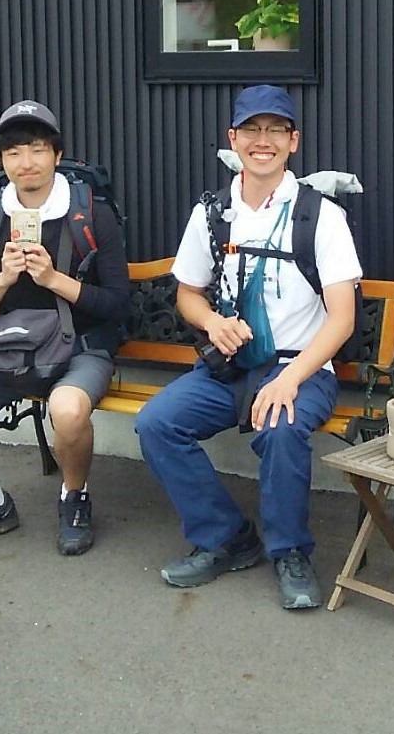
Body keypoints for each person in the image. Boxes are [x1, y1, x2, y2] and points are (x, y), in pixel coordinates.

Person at [136, 84, 362, 610]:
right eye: (252, 130)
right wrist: (212, 323)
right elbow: (188, 294)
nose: (264, 141)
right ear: (233, 139)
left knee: (280, 428)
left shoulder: (320, 215)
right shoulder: (213, 212)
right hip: (231, 366)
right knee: (157, 423)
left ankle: (290, 551)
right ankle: (226, 537)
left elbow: (343, 318)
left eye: (276, 130)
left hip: (300, 368)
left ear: (293, 141)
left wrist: (291, 379)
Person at [0, 101, 130, 556]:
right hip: (8, 347)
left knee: (67, 410)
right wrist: (4, 278)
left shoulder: (92, 214)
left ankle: (74, 497)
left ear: (57, 154)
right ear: (2, 160)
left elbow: (116, 304)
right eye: (13, 153)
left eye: (36, 149)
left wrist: (54, 279)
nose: (26, 162)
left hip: (81, 348)